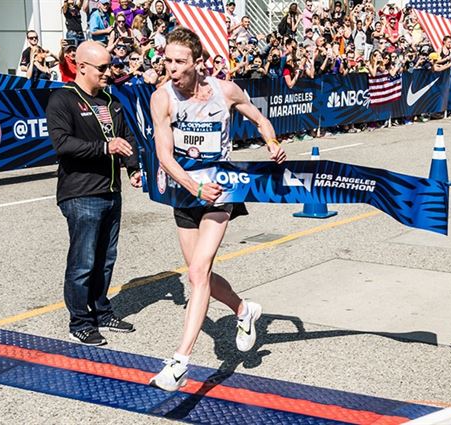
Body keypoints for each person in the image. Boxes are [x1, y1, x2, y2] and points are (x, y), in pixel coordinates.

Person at [148, 27, 286, 392]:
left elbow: (260, 119)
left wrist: (271, 142)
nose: (172, 69)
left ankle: (180, 362)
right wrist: (194, 186)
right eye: (167, 61)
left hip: (222, 192)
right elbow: (163, 155)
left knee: (198, 270)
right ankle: (244, 310)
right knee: (200, 276)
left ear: (198, 63)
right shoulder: (162, 98)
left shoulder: (224, 92)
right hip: (186, 193)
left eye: (180, 62)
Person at [46, 41, 142, 346]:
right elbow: (63, 145)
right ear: (81, 66)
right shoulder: (62, 99)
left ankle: (102, 311)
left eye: (109, 66)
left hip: (111, 191)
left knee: (106, 259)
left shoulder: (111, 101)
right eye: (101, 68)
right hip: (81, 193)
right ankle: (80, 321)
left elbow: (126, 137)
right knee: (83, 261)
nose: (107, 72)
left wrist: (133, 167)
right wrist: (105, 147)